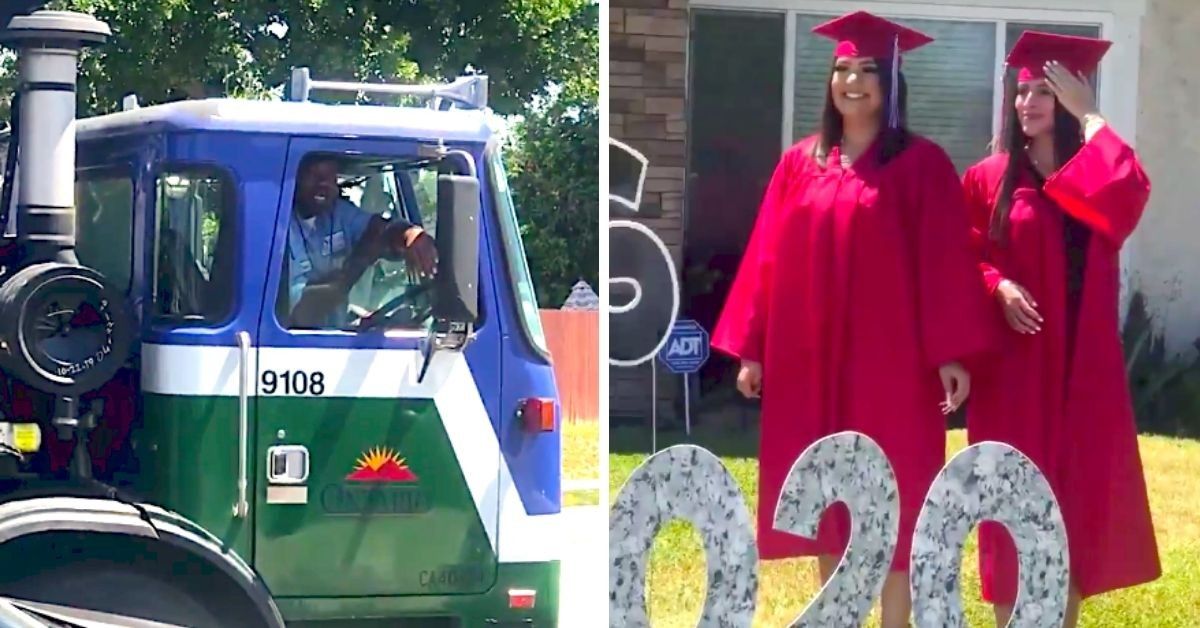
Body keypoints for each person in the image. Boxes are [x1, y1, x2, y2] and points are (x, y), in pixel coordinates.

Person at [710, 11, 995, 627]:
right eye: (842, 69)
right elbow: (767, 255)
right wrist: (753, 347)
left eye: (868, 69)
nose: (853, 81)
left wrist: (949, 352)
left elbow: (946, 261)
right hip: (814, 361)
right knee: (826, 492)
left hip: (890, 366)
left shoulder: (922, 165)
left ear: (891, 81)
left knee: (895, 493)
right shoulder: (800, 164)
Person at [962, 31, 1160, 627]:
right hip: (1014, 371)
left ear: (1070, 97)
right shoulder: (989, 177)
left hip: (1082, 368)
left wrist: (1092, 115)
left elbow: (1132, 187)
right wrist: (995, 284)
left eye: (1045, 90)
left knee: (1073, 500)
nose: (1028, 102)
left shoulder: (1093, 172)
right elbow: (958, 253)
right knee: (1010, 496)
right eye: (1022, 91)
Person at [286, 156, 437, 328]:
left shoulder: (336, 213)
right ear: (294, 177)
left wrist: (409, 234)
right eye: (314, 175)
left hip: (336, 339)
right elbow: (302, 313)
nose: (324, 184)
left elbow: (378, 229)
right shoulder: (279, 225)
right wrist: (358, 264)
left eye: (330, 177)